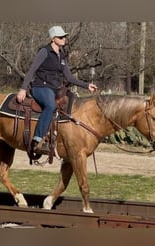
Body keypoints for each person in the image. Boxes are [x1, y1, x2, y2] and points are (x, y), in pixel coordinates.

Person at [16, 25, 98, 154]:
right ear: (53, 39)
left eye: (65, 37)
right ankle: (37, 140)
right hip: (41, 87)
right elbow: (32, 70)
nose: (64, 39)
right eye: (61, 37)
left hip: (54, 89)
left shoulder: (62, 56)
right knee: (50, 105)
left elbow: (69, 78)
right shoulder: (44, 52)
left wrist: (86, 85)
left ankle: (58, 138)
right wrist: (23, 89)